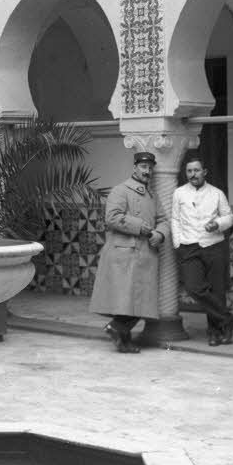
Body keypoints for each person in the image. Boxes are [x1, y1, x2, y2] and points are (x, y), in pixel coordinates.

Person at [90, 150, 169, 354]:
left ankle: (120, 335)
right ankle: (119, 331)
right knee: (128, 300)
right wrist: (140, 226)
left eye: (150, 168)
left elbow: (162, 219)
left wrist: (160, 233)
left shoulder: (152, 195)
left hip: (145, 254)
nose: (147, 171)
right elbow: (112, 217)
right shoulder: (120, 190)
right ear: (135, 168)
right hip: (123, 255)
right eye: (144, 167)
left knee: (139, 301)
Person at [171, 156, 233, 346]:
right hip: (189, 246)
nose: (193, 174)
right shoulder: (179, 193)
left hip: (213, 246)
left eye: (197, 170)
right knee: (194, 287)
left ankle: (216, 332)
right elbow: (175, 219)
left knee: (216, 290)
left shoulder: (216, 193)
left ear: (204, 172)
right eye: (190, 171)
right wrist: (178, 242)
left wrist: (217, 224)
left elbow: (229, 217)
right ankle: (228, 319)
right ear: (186, 174)